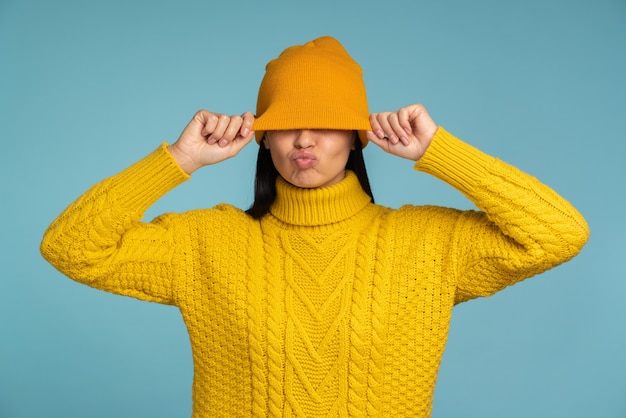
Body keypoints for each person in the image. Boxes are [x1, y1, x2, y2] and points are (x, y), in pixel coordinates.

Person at [40, 36, 589, 417]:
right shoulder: (205, 244)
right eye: (285, 125)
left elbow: (560, 232)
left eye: (325, 123)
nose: (304, 140)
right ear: (263, 137)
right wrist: (176, 161)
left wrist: (441, 152)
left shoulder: (428, 245)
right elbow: (69, 247)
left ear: (355, 136)